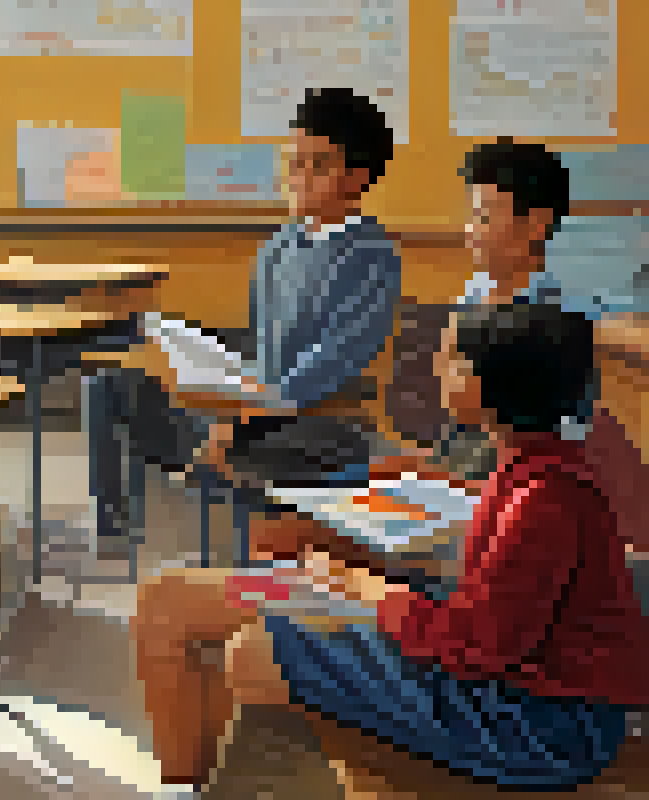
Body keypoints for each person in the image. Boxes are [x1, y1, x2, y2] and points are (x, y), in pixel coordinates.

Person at [129, 303, 649, 795]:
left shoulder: (545, 498)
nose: (439, 370)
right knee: (172, 598)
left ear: (489, 385)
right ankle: (187, 788)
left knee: (254, 650)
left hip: (535, 723)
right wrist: (365, 573)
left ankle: (223, 783)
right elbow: (495, 591)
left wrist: (370, 590)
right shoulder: (530, 469)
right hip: (496, 669)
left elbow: (482, 641)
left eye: (453, 360)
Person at [249, 138, 591, 568]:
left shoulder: (558, 319)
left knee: (302, 536)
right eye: (470, 215)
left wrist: (443, 478)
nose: (470, 231)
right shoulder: (474, 293)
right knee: (298, 513)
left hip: (495, 503)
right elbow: (458, 425)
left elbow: (553, 465)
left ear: (536, 224)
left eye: (484, 217)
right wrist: (423, 465)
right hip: (451, 472)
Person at [87, 88, 403, 544]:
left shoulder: (372, 254)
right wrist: (213, 379)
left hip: (320, 423)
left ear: (358, 177)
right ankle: (114, 532)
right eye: (292, 163)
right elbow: (260, 350)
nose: (297, 177)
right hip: (253, 411)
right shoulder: (275, 248)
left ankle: (234, 502)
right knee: (109, 384)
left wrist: (241, 416)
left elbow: (334, 361)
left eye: (317, 166)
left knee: (226, 443)